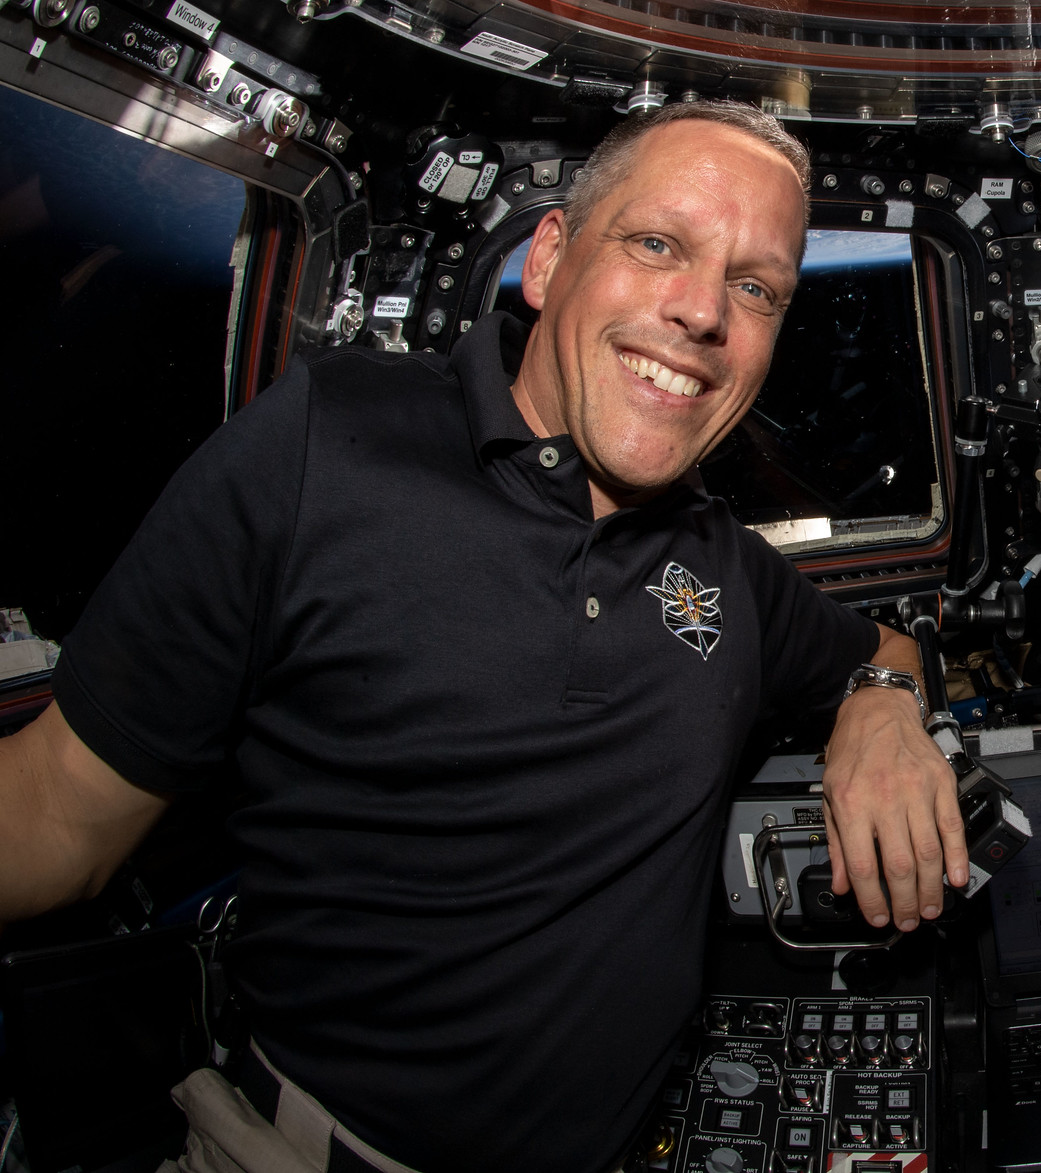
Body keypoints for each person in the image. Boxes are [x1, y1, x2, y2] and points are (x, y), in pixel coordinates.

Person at [0, 101, 967, 1173]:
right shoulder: (325, 446)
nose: (701, 312)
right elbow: (52, 820)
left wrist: (881, 713)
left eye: (754, 288)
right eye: (657, 244)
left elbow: (883, 649)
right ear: (550, 259)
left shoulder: (724, 567)